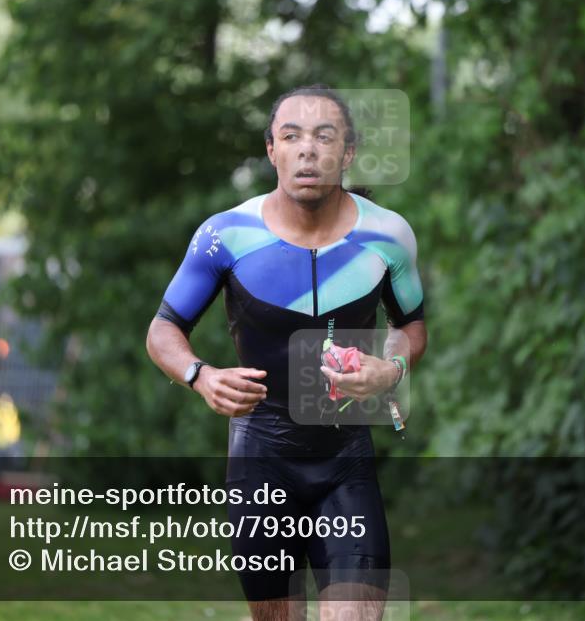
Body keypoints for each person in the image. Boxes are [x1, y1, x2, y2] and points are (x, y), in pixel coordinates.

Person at [146, 84, 427, 621]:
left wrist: (390, 370)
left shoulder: (388, 236)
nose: (307, 149)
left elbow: (411, 326)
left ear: (347, 153)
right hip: (260, 461)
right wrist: (200, 376)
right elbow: (163, 330)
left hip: (346, 461)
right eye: (291, 136)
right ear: (271, 150)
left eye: (325, 137)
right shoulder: (225, 235)